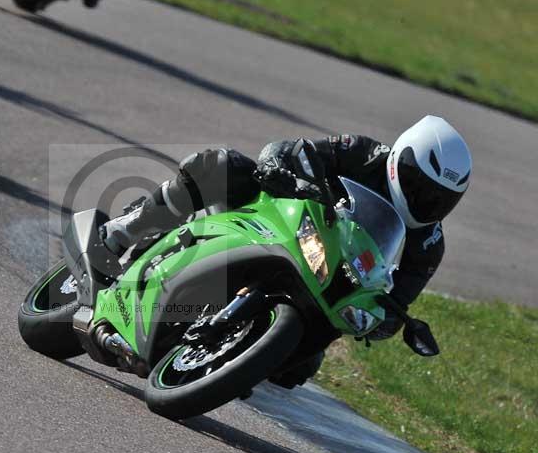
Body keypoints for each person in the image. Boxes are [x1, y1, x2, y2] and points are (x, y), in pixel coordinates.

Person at [100, 115, 472, 387]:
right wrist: (282, 169)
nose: (428, 201)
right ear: (401, 159)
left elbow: (397, 304)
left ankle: (232, 359)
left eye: (442, 198)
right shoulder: (364, 153)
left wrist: (383, 320)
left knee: (300, 368)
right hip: (281, 224)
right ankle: (125, 230)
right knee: (222, 165)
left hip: (326, 283)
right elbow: (294, 150)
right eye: (421, 186)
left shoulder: (428, 245)